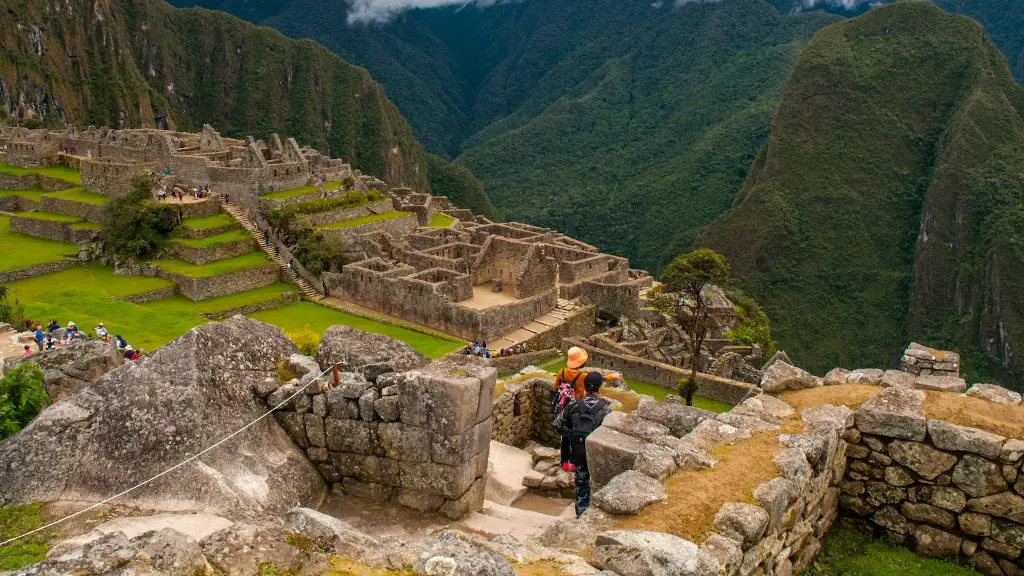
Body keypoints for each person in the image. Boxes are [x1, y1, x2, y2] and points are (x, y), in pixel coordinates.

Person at [554, 371, 611, 518]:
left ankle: (580, 515)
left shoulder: (574, 405)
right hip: (596, 455)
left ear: (585, 387)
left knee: (581, 486)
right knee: (599, 486)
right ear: (599, 388)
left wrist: (570, 435)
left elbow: (557, 424)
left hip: (578, 453)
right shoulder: (605, 409)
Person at [552, 346, 619, 471]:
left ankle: (564, 462)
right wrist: (612, 377)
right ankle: (573, 463)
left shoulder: (561, 372)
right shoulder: (582, 376)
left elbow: (555, 387)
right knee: (575, 435)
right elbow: (600, 379)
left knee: (565, 437)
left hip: (563, 408)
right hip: (576, 408)